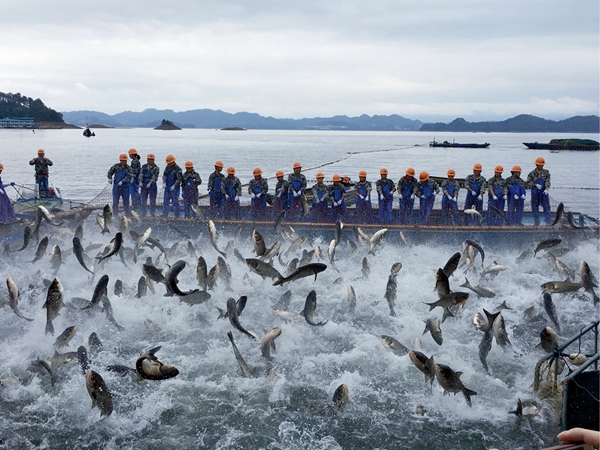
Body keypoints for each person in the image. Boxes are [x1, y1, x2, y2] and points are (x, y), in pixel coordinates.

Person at [526, 156, 551, 225]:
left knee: (546, 207)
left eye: (542, 165)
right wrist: (535, 185)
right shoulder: (531, 173)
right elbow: (528, 182)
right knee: (534, 208)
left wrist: (546, 189)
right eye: (539, 165)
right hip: (535, 193)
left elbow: (547, 181)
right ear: (536, 164)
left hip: (543, 193)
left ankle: (548, 222)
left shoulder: (546, 172)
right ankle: (536, 222)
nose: (541, 166)